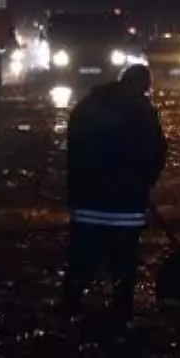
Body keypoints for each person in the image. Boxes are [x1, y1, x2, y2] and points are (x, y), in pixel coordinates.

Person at [64, 63, 168, 322]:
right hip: (126, 207)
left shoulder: (86, 106)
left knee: (80, 262)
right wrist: (146, 186)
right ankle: (122, 315)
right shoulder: (143, 111)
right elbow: (155, 154)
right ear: (145, 86)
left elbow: (73, 149)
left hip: (85, 203)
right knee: (123, 265)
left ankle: (69, 309)